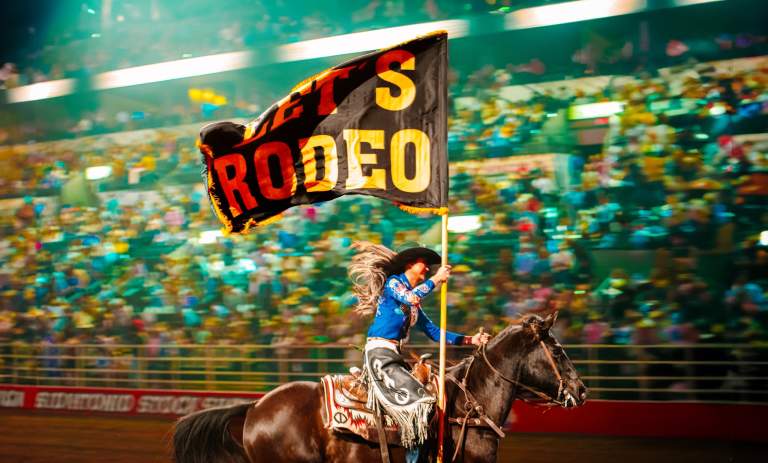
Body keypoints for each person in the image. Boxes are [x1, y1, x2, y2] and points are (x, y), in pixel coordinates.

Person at [348, 242, 489, 462]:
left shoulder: (414, 304)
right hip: (379, 355)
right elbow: (411, 297)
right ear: (411, 264)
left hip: (394, 357)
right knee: (420, 403)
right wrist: (437, 280)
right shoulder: (394, 284)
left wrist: (472, 339)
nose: (428, 269)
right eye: (424, 264)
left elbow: (434, 332)